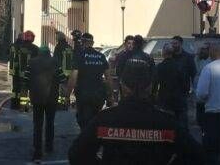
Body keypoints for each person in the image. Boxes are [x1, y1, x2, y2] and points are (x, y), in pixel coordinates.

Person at [68, 57, 205, 164]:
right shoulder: (166, 122)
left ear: (123, 86)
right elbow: (197, 156)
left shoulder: (105, 119)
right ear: (150, 87)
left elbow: (77, 154)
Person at [23, 46, 68, 162]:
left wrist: (27, 96)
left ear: (39, 53)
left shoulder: (31, 62)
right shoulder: (55, 62)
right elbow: (62, 78)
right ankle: (49, 146)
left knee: (37, 124)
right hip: (51, 99)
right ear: (49, 53)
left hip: (37, 98)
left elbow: (26, 80)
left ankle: (37, 150)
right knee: (50, 123)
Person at [66, 32, 111, 129]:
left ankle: (86, 141)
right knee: (95, 120)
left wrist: (67, 95)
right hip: (99, 94)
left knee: (83, 121)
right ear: (93, 43)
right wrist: (110, 95)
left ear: (82, 42)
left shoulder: (79, 56)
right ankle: (94, 140)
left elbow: (73, 77)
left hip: (83, 94)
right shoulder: (101, 56)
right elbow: (109, 78)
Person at [153, 43, 188, 129]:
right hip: (178, 100)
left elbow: (155, 84)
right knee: (180, 126)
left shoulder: (159, 67)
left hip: (164, 100)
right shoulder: (179, 66)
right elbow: (185, 83)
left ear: (163, 53)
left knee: (165, 126)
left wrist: (154, 97)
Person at [170, 35, 197, 130]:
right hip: (170, 92)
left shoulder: (188, 58)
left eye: (175, 43)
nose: (173, 45)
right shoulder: (170, 57)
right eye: (172, 43)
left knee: (183, 120)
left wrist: (193, 89)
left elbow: (193, 73)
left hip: (183, 92)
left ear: (181, 44)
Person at [10, 31, 39, 110]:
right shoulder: (35, 48)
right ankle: (30, 106)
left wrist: (14, 71)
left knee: (20, 89)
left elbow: (15, 60)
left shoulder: (18, 47)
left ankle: (18, 105)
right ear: (32, 38)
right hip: (32, 74)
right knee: (32, 89)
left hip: (20, 73)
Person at [53, 31, 74, 107]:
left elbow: (56, 60)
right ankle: (66, 102)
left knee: (61, 87)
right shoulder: (69, 47)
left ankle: (62, 104)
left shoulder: (58, 47)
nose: (55, 38)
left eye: (56, 37)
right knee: (67, 87)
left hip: (62, 71)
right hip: (70, 71)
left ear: (59, 38)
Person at [194, 43, 212, 130]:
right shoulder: (197, 60)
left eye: (204, 49)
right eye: (202, 49)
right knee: (200, 119)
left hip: (208, 95)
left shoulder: (210, 61)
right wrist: (197, 53)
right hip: (198, 94)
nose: (202, 51)